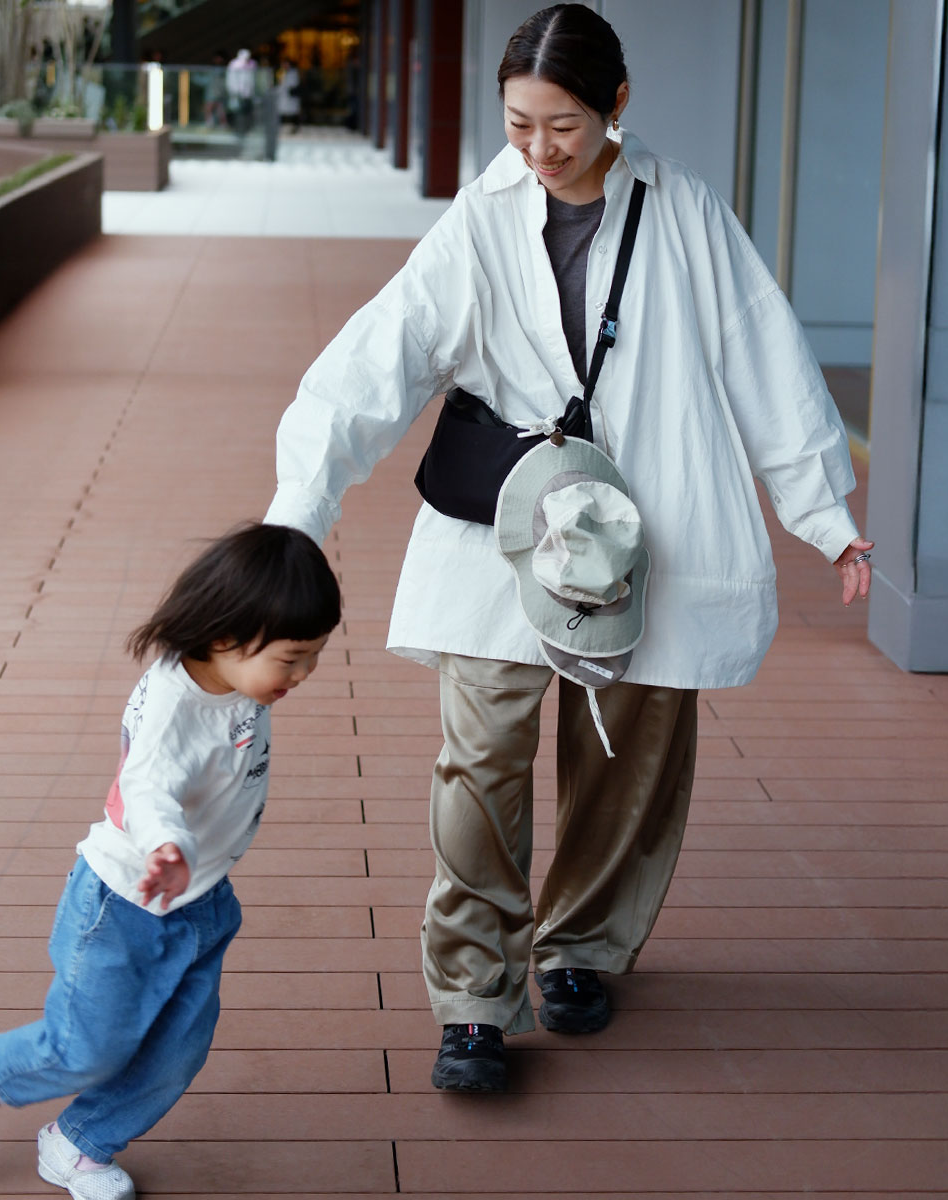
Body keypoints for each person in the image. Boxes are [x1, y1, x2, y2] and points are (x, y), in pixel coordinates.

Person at [264, 2, 874, 1092]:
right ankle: (471, 999)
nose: (540, 150)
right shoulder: (483, 217)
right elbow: (383, 355)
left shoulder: (684, 212)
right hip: (508, 530)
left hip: (652, 530)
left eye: (564, 125)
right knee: (481, 753)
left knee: (626, 753)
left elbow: (764, 359)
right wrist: (300, 504)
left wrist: (823, 511)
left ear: (617, 108)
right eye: (518, 123)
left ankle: (583, 947)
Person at [0, 524, 341, 1197]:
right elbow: (144, 787)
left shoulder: (238, 673)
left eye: (314, 656)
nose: (304, 675)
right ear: (224, 635)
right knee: (88, 1046)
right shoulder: (176, 710)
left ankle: (78, 1144)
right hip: (126, 903)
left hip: (202, 902)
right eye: (294, 658)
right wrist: (166, 846)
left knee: (177, 1048)